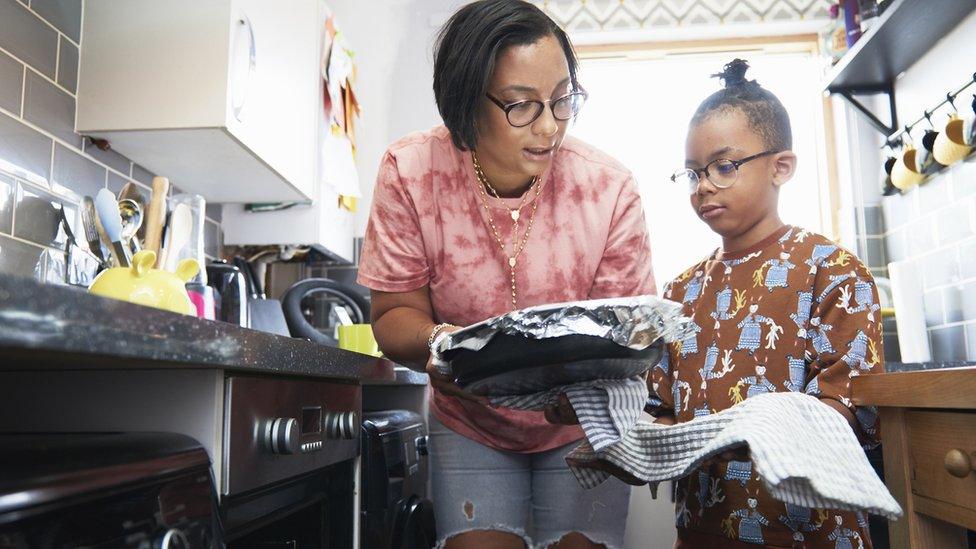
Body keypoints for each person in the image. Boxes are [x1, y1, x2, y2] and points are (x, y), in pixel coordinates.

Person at [356, 1, 655, 547]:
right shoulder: (412, 172)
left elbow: (628, 333)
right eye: (521, 105)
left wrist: (590, 393)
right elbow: (395, 315)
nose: (549, 127)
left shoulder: (607, 189)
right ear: (467, 102)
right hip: (471, 422)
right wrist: (441, 344)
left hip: (581, 422)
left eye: (563, 100)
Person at [551, 59, 884, 548]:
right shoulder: (680, 294)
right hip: (702, 533)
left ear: (781, 166)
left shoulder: (831, 272)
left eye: (724, 167)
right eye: (693, 173)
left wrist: (739, 434)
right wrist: (607, 420)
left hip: (812, 536)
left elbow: (848, 410)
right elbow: (660, 411)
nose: (704, 185)